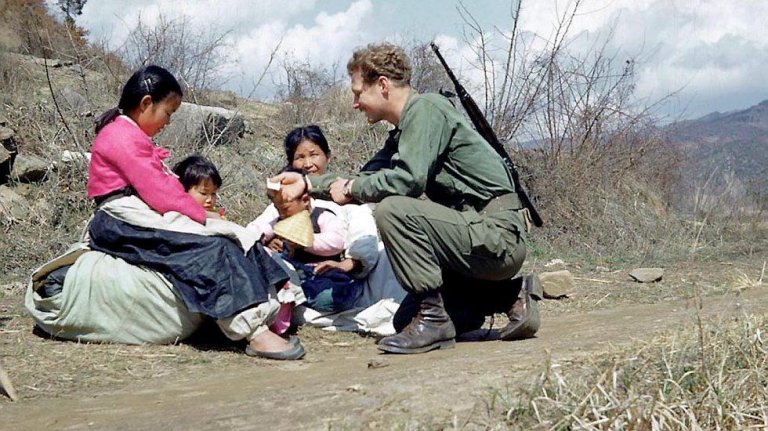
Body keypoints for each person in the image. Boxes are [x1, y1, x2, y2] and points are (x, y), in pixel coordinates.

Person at [274, 43, 542, 355]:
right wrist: (306, 182)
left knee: (393, 210)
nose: (355, 104)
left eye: (358, 92)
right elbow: (362, 179)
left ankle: (434, 318)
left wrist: (350, 188)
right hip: (471, 238)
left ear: (383, 85)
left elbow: (407, 180)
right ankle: (509, 295)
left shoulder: (427, 109)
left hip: (497, 237)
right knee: (403, 322)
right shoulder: (404, 133)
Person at [26, 65, 304, 360]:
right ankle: (254, 332)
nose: (168, 122)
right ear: (147, 103)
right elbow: (159, 192)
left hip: (134, 215)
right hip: (123, 219)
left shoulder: (128, 135)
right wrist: (203, 218)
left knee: (229, 236)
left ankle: (272, 311)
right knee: (212, 247)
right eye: (168, 112)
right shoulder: (120, 136)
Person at [248, 125, 406, 335]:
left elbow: (360, 238)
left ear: (328, 156)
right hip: (295, 276)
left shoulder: (343, 197)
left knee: (383, 256)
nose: (308, 164)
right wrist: (266, 243)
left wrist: (346, 264)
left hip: (338, 276)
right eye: (299, 157)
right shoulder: (283, 201)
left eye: (314, 155)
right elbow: (257, 229)